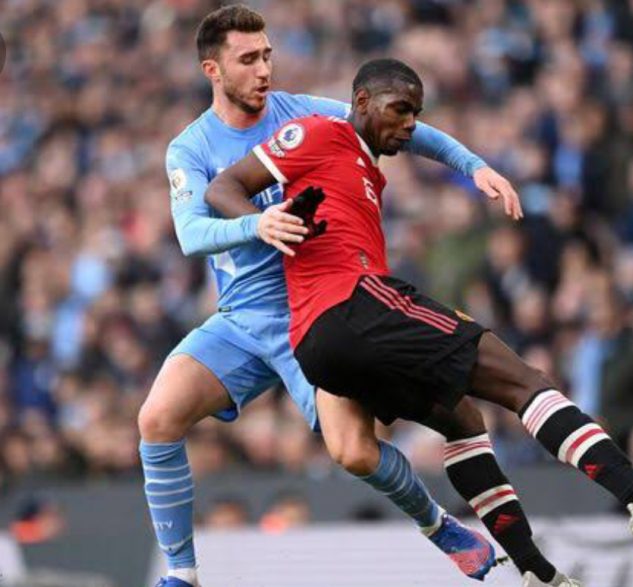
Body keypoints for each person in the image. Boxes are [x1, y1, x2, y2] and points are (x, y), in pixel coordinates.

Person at [206, 57, 633, 587]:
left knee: (462, 420)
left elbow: (428, 145)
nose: (410, 124)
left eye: (416, 113)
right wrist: (260, 222)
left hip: (322, 344)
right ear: (362, 102)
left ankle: (537, 574)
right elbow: (223, 187)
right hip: (353, 303)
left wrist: (473, 166)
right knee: (524, 381)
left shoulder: (366, 165)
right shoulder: (321, 132)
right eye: (400, 109)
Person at [140, 6, 524, 587]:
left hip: (316, 311)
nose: (264, 70)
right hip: (242, 318)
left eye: (267, 55)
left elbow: (400, 124)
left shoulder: (303, 114)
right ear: (212, 70)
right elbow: (192, 234)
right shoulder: (189, 148)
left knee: (355, 453)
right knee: (156, 419)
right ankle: (182, 574)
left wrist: (472, 166)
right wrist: (257, 224)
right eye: (248, 60)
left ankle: (437, 524)